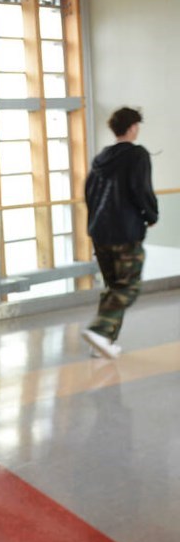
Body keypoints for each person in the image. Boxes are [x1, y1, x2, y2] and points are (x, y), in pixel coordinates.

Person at [81, 106, 158, 359]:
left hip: (100, 232)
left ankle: (101, 343)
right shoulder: (137, 155)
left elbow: (89, 194)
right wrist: (151, 215)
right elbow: (141, 189)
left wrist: (95, 223)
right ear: (133, 127)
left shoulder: (102, 158)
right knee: (129, 287)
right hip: (125, 232)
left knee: (114, 286)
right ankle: (99, 330)